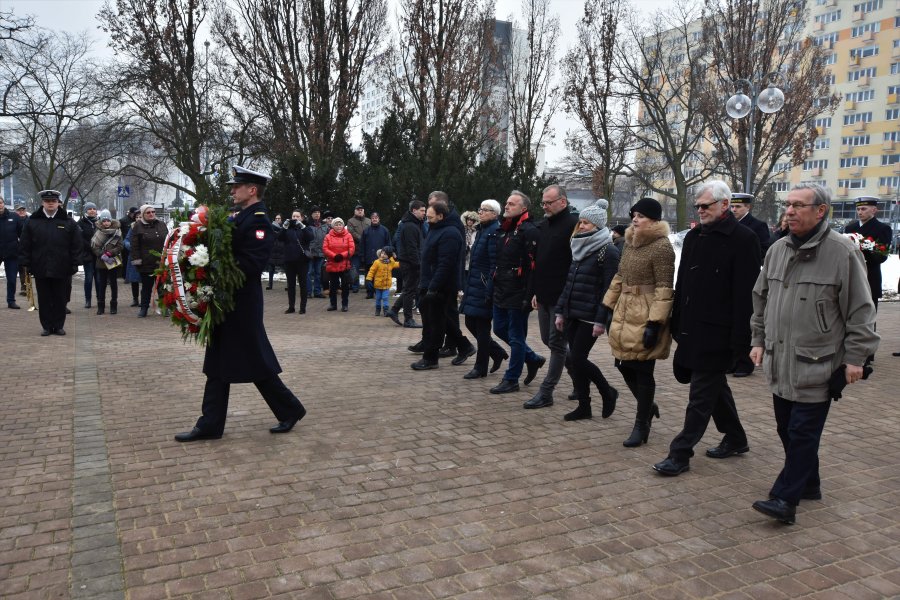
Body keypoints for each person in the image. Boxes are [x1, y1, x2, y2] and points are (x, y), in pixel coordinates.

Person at [749, 183, 879, 525]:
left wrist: (856, 358)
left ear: (820, 211)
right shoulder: (776, 250)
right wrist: (758, 339)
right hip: (780, 362)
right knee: (787, 430)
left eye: (798, 206)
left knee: (803, 433)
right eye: (787, 204)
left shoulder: (842, 252)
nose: (789, 211)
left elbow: (861, 311)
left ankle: (784, 499)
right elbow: (760, 299)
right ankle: (810, 484)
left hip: (818, 364)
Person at [174, 166, 306, 442]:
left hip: (241, 304)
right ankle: (212, 423)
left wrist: (215, 266)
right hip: (228, 300)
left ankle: (288, 409)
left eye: (237, 186)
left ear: (252, 190)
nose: (232, 190)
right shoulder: (241, 217)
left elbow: (252, 264)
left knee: (252, 360)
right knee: (221, 362)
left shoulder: (258, 221)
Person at [653, 180, 760, 476]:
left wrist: (742, 340)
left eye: (706, 206)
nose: (700, 211)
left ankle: (680, 453)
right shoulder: (694, 237)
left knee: (700, 396)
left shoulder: (744, 239)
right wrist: (676, 321)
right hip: (691, 329)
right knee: (714, 388)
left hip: (719, 333)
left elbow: (745, 295)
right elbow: (683, 282)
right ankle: (736, 438)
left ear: (724, 205)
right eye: (698, 206)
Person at [603, 197, 675, 446]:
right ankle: (648, 405)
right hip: (624, 309)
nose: (635, 218)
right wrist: (607, 305)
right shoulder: (629, 242)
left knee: (644, 371)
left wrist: (655, 323)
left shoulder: (662, 246)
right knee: (622, 363)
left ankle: (641, 425)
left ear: (654, 219)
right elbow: (620, 276)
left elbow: (665, 288)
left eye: (641, 216)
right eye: (634, 214)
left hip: (646, 311)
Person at [553, 200, 620, 421]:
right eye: (581, 222)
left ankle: (607, 391)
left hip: (591, 315)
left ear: (598, 226)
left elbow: (609, 289)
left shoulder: (607, 251)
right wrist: (561, 311)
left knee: (578, 358)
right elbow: (568, 282)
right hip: (573, 312)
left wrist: (602, 320)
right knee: (574, 359)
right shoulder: (579, 247)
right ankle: (584, 405)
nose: (581, 226)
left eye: (587, 224)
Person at [525, 184, 579, 409]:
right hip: (544, 294)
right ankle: (580, 377)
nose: (544, 206)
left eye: (548, 202)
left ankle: (546, 392)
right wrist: (536, 291)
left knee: (557, 345)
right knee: (549, 341)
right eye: (543, 202)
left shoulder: (573, 226)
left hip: (562, 296)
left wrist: (567, 297)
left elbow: (575, 264)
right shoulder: (544, 225)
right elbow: (540, 262)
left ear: (562, 202)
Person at [490, 191, 543, 394]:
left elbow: (533, 267)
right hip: (501, 288)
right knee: (499, 329)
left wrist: (529, 295)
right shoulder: (503, 229)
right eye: (506, 203)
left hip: (519, 291)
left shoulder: (529, 231)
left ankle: (511, 379)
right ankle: (532, 358)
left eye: (512, 204)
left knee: (516, 337)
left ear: (523, 209)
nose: (507, 206)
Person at [411, 201, 466, 370]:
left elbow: (445, 264)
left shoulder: (450, 233)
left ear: (441, 216)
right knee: (440, 320)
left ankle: (431, 358)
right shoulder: (436, 229)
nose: (427, 220)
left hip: (441, 285)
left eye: (430, 217)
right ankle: (465, 346)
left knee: (435, 323)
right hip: (429, 282)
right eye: (426, 217)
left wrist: (433, 287)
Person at [18, 190, 81, 335]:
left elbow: (76, 244)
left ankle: (58, 325)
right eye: (47, 201)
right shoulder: (33, 221)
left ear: (58, 202)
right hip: (40, 265)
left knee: (60, 298)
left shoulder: (68, 221)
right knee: (44, 298)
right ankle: (46, 326)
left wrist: (75, 263)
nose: (50, 203)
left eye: (53, 201)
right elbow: (25, 244)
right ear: (42, 203)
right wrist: (25, 263)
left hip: (62, 266)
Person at [459, 199, 508, 379]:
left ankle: (481, 367)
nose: (480, 212)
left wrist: (489, 288)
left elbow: (494, 264)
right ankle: (496, 352)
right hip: (474, 284)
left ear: (495, 214)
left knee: (482, 327)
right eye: (480, 209)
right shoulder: (482, 231)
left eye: (485, 210)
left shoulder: (494, 232)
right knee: (470, 322)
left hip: (484, 286)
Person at [842, 197, 892, 312]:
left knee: (868, 317)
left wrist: (862, 249)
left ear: (874, 210)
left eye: (864, 209)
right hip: (849, 276)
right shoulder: (850, 228)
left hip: (869, 278)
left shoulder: (882, 228)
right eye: (858, 209)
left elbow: (881, 256)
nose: (860, 212)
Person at [387, 200, 425, 328]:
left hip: (410, 262)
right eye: (422, 210)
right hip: (410, 263)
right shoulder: (409, 225)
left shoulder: (414, 224)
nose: (424, 213)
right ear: (414, 210)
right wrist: (418, 264)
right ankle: (408, 319)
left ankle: (394, 310)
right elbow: (411, 248)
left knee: (410, 289)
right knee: (409, 291)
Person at [130, 205, 168, 317]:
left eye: (153, 212)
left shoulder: (162, 224)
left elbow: (168, 241)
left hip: (161, 263)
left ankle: (165, 307)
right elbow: (134, 246)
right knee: (146, 288)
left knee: (163, 287)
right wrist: (137, 262)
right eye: (148, 212)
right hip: (146, 263)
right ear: (143, 214)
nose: (151, 214)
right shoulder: (138, 226)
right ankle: (144, 308)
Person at [278, 209, 314, 314]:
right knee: (291, 285)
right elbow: (279, 238)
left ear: (302, 218)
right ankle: (291, 307)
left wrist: (302, 226)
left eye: (297, 216)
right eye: (293, 216)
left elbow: (310, 237)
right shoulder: (287, 229)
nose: (295, 218)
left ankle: (303, 307)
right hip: (289, 260)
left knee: (303, 284)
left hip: (302, 261)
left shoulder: (305, 228)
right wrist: (284, 227)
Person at [90, 210, 124, 315]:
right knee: (102, 284)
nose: (106, 223)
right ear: (101, 221)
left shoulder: (117, 232)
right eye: (104, 221)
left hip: (112, 260)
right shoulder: (98, 231)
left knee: (113, 284)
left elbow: (120, 246)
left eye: (108, 221)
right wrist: (101, 254)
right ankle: (101, 306)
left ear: (111, 221)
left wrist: (110, 253)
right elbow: (94, 246)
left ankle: (114, 305)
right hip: (101, 261)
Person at [322, 216, 355, 312]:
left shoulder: (348, 235)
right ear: (333, 226)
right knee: (333, 286)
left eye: (340, 224)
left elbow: (351, 248)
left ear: (343, 225)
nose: (338, 226)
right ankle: (333, 304)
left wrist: (342, 255)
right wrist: (334, 256)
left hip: (344, 264)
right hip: (333, 263)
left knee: (345, 286)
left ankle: (345, 305)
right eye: (336, 224)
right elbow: (325, 248)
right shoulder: (328, 236)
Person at [0, 196, 24, 309]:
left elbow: (22, 234)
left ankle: (11, 301)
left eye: (0, 203)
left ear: (3, 203)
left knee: (12, 279)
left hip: (12, 253)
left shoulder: (14, 217)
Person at [361, 212, 391, 299]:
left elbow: (388, 244)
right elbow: (362, 245)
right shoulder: (366, 231)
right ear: (371, 219)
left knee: (380, 276)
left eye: (376, 217)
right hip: (369, 257)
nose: (374, 219)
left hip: (382, 258)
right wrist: (362, 256)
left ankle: (380, 292)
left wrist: (388, 255)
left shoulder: (385, 230)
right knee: (369, 276)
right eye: (373, 218)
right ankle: (369, 292)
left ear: (379, 219)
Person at [76, 202, 101, 308]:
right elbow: (79, 238)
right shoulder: (81, 223)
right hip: (88, 255)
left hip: (99, 255)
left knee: (99, 279)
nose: (92, 210)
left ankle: (100, 299)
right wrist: (91, 246)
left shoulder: (100, 222)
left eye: (94, 209)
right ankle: (88, 300)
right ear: (86, 211)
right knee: (89, 278)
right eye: (89, 209)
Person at [366, 247, 398, 316]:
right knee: (378, 298)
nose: (383, 255)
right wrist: (369, 279)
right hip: (378, 284)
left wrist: (403, 262)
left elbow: (397, 264)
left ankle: (386, 310)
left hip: (386, 285)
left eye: (385, 254)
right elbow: (372, 271)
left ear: (389, 255)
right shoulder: (377, 262)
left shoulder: (391, 263)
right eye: (382, 253)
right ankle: (378, 309)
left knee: (385, 297)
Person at [346, 204, 370, 293]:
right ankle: (355, 286)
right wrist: (362, 239)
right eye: (358, 209)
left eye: (361, 209)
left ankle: (369, 287)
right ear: (355, 211)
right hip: (356, 249)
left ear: (363, 211)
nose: (360, 211)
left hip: (367, 250)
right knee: (355, 268)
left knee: (369, 268)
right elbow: (351, 232)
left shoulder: (369, 221)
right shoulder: (350, 221)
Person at [306, 207, 328, 298]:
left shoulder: (325, 225)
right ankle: (308, 292)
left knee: (318, 273)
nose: (317, 214)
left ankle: (317, 292)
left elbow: (327, 238)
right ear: (311, 214)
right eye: (315, 212)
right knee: (309, 273)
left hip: (321, 253)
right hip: (310, 253)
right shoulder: (307, 224)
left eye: (318, 212)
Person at [14, 203, 29, 298]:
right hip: (16, 248)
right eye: (19, 210)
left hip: (27, 248)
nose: (21, 212)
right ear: (16, 212)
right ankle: (23, 286)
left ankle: (26, 287)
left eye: (23, 210)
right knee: (20, 268)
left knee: (26, 268)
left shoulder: (30, 220)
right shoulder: (15, 220)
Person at [265, 214, 284, 290]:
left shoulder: (284, 228)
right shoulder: (270, 228)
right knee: (271, 269)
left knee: (286, 269)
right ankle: (270, 284)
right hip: (273, 251)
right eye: (276, 218)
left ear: (281, 219)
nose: (277, 219)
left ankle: (288, 286)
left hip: (281, 251)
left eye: (279, 218)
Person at [462, 210, 479, 276]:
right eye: (468, 219)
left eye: (471, 220)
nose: (469, 221)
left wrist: (469, 247)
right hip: (462, 253)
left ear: (474, 222)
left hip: (470, 253)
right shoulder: (462, 229)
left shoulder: (476, 231)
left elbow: (475, 242)